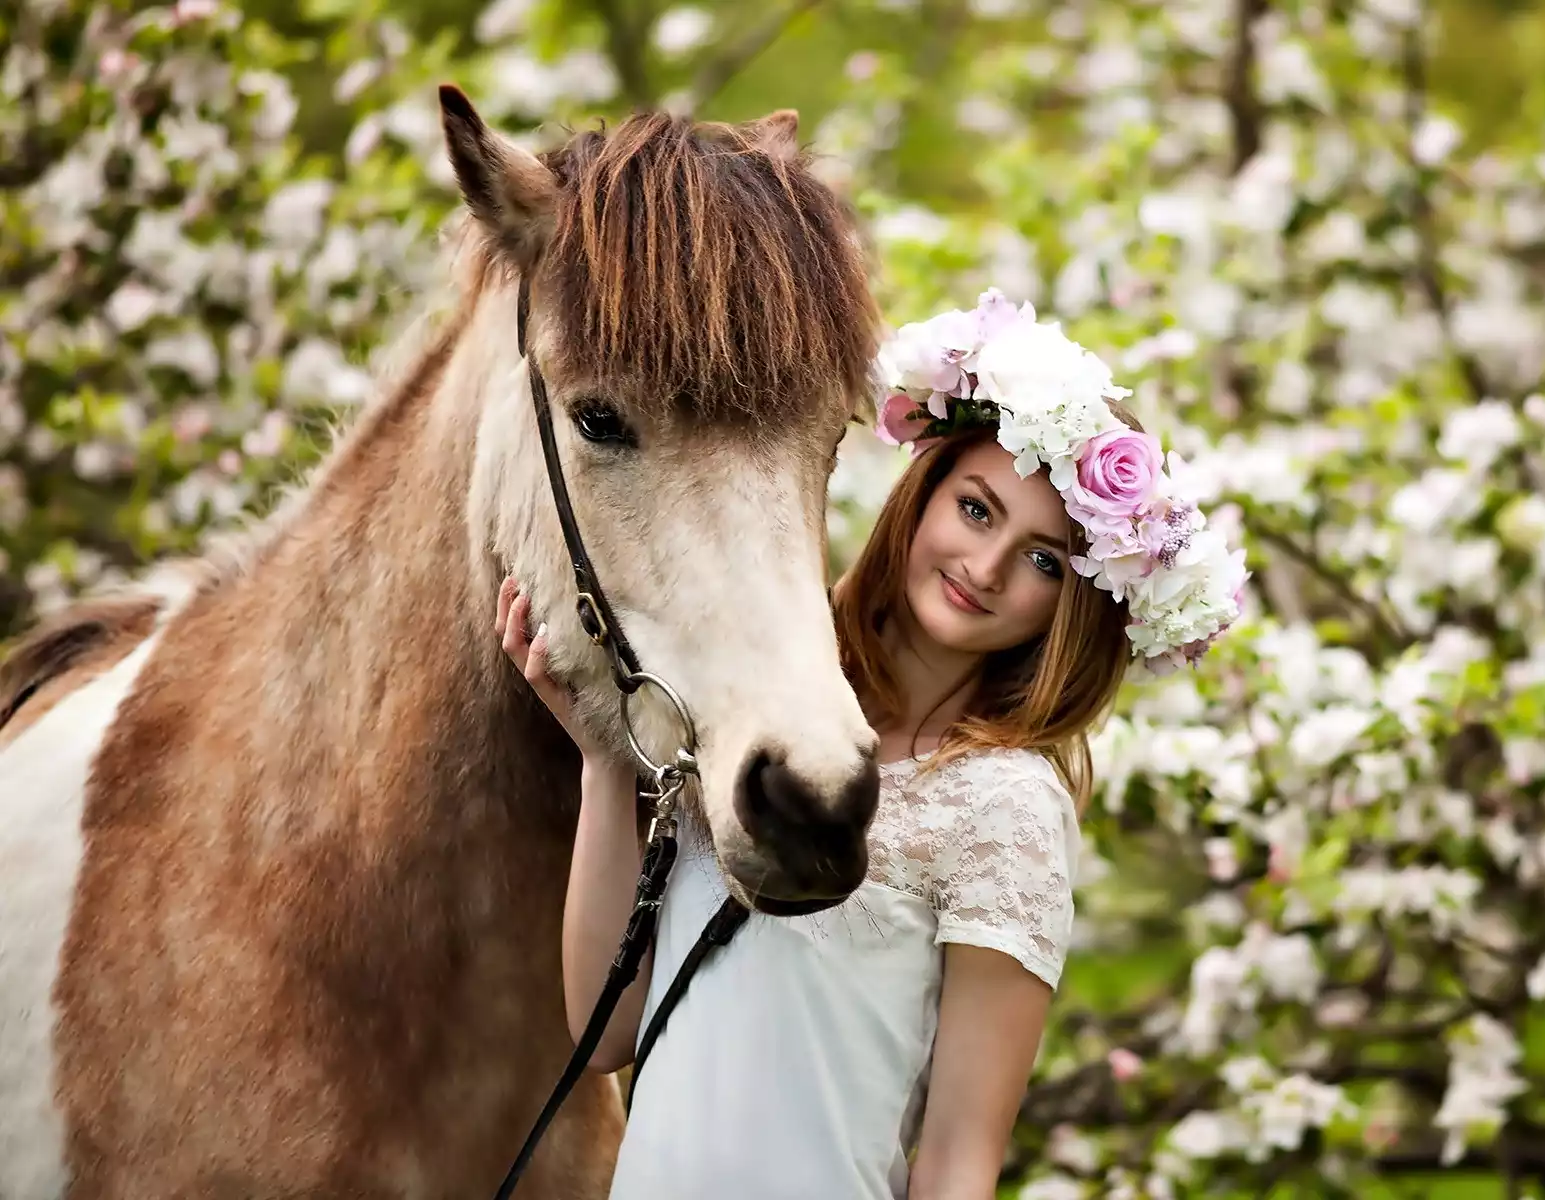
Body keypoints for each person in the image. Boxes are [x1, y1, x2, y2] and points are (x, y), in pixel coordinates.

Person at [496, 288, 1246, 1199]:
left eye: (1045, 560)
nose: (986, 567)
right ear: (924, 496)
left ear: (1077, 604)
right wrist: (604, 760)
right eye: (976, 510)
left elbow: (959, 1165)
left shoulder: (1006, 806)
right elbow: (606, 1034)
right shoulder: (758, 719)